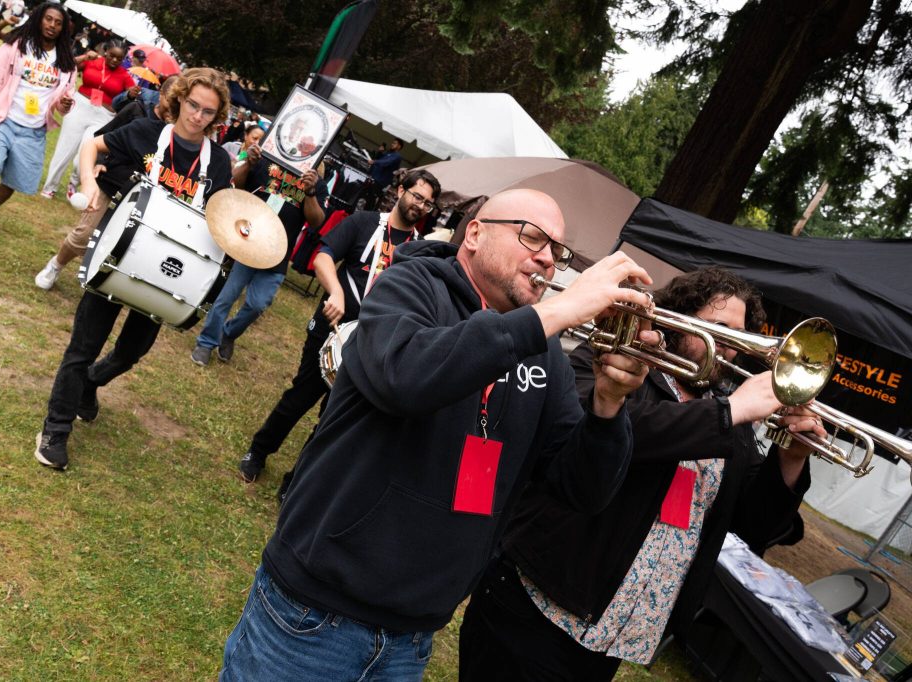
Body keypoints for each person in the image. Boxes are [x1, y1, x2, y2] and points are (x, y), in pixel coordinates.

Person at [217, 188, 660, 680]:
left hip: (412, 637)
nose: (548, 259)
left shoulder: (546, 354)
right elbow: (405, 377)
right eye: (532, 237)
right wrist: (561, 313)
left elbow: (582, 489)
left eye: (557, 250)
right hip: (312, 616)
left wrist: (608, 403)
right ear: (474, 233)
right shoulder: (408, 284)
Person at [458, 266, 826, 681]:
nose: (730, 347)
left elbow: (756, 523)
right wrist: (730, 412)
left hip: (614, 634)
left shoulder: (733, 418)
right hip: (538, 604)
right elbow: (609, 429)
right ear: (679, 320)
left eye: (740, 336)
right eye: (719, 328)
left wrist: (791, 459)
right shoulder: (615, 361)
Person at [34, 68, 232, 471]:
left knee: (131, 352)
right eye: (193, 105)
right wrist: (90, 182)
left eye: (208, 112)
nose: (197, 116)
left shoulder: (220, 165)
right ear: (180, 99)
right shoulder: (144, 132)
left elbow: (219, 220)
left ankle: (90, 384)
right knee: (83, 346)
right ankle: (55, 430)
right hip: (119, 252)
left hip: (166, 272)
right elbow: (91, 145)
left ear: (217, 116)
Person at [235, 169, 441, 489]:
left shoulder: (419, 252)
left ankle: (296, 482)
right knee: (300, 396)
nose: (420, 206)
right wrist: (336, 291)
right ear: (401, 190)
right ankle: (258, 451)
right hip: (331, 327)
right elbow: (323, 258)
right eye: (417, 196)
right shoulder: (365, 222)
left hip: (371, 344)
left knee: (332, 416)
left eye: (427, 204)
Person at [188, 139, 328, 366]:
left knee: (257, 304)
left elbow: (317, 221)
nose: (304, 145)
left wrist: (310, 192)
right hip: (248, 241)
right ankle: (205, 343)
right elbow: (239, 182)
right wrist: (248, 163)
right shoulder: (268, 160)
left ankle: (229, 334)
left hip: (277, 253)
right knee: (226, 297)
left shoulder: (315, 182)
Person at [33, 75, 179, 290]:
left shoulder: (177, 133)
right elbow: (103, 137)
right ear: (162, 94)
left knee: (115, 242)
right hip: (110, 181)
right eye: (173, 99)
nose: (175, 106)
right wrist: (99, 163)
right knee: (84, 234)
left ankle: (96, 282)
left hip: (140, 197)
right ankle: (56, 264)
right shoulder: (136, 111)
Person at [0, 2, 76, 234]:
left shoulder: (66, 63)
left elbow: (63, 103)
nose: (52, 25)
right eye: (48, 19)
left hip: (34, 130)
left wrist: (66, 104)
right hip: (5, 120)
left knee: (15, 180)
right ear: (39, 18)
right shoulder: (17, 46)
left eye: (58, 23)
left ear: (63, 29)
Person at [39, 42, 139, 199]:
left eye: (119, 58)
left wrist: (131, 93)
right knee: (65, 149)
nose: (114, 60)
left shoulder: (125, 75)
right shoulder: (92, 61)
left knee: (86, 153)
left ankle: (73, 183)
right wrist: (84, 57)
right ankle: (50, 186)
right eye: (111, 55)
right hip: (80, 106)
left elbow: (130, 96)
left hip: (103, 115)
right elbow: (65, 67)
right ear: (105, 52)